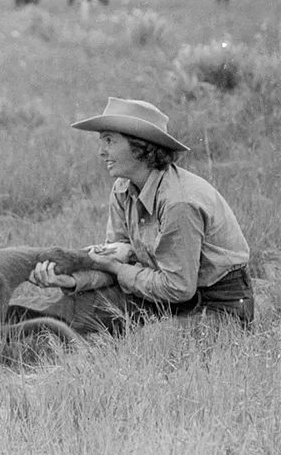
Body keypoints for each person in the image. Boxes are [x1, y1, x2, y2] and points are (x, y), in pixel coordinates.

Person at [24, 97, 254, 334]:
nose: (101, 152)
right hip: (161, 295)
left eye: (109, 141)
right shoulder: (123, 188)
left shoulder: (179, 202)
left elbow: (178, 287)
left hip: (217, 304)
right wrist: (74, 281)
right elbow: (116, 259)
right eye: (101, 141)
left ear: (140, 146)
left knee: (150, 341)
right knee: (71, 311)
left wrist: (117, 269)